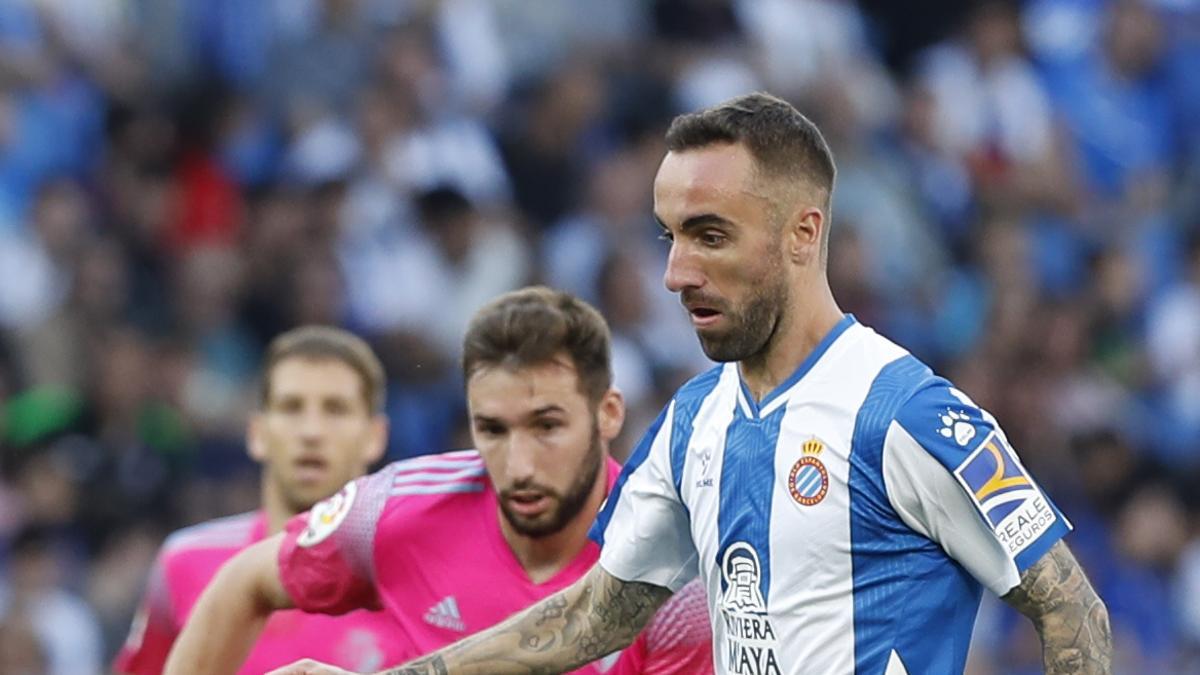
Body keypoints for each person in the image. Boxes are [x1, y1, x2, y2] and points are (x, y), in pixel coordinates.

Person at [271, 92, 1114, 675]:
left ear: (801, 234)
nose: (675, 272)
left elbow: (1072, 612)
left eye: (709, 235)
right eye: (670, 235)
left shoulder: (907, 414)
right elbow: (595, 613)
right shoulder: (692, 420)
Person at [163, 287, 713, 674]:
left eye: (547, 426)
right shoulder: (394, 512)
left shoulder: (677, 575)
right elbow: (243, 582)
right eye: (492, 429)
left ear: (608, 414)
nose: (518, 464)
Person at [113, 326, 404, 674]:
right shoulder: (184, 562)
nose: (311, 432)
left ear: (375, 436)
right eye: (291, 407)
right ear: (257, 433)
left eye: (336, 409)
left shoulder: (411, 574)